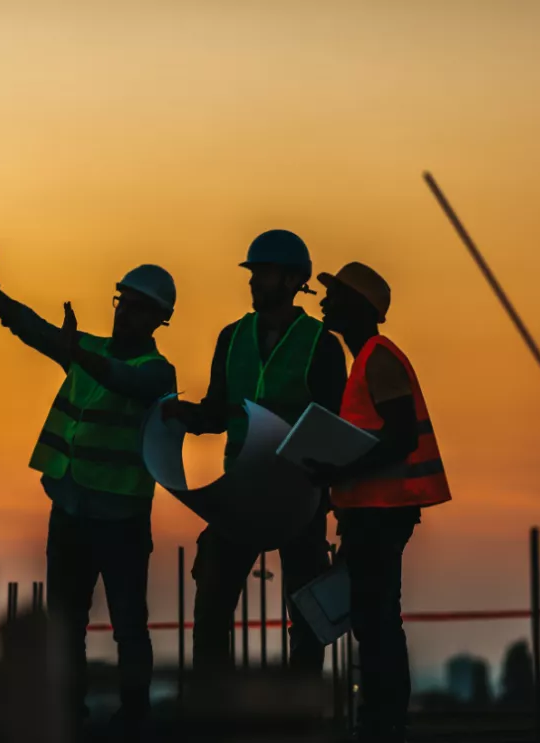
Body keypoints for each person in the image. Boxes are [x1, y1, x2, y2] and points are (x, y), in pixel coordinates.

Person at [0, 239, 177, 735]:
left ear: (156, 319)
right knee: (66, 626)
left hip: (121, 521)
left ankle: (134, 718)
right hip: (71, 510)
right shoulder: (88, 350)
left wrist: (77, 354)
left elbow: (128, 382)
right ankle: (69, 713)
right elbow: (32, 329)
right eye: (122, 302)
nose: (124, 313)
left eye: (136, 308)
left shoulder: (157, 371)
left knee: (129, 626)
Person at [163, 229, 347, 675]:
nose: (253, 282)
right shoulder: (232, 338)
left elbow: (334, 429)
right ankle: (217, 711)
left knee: (306, 614)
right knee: (211, 606)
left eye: (262, 274)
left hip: (298, 497)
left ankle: (299, 711)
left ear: (290, 281)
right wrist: (185, 416)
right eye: (253, 274)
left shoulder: (319, 344)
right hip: (241, 493)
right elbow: (220, 410)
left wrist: (328, 498)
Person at [308, 262, 452, 743]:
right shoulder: (366, 359)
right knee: (372, 618)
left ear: (358, 307)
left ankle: (384, 719)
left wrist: (338, 470)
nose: (325, 302)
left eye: (335, 295)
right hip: (370, 511)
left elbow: (399, 438)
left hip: (384, 512)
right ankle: (383, 716)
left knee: (377, 618)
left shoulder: (378, 358)